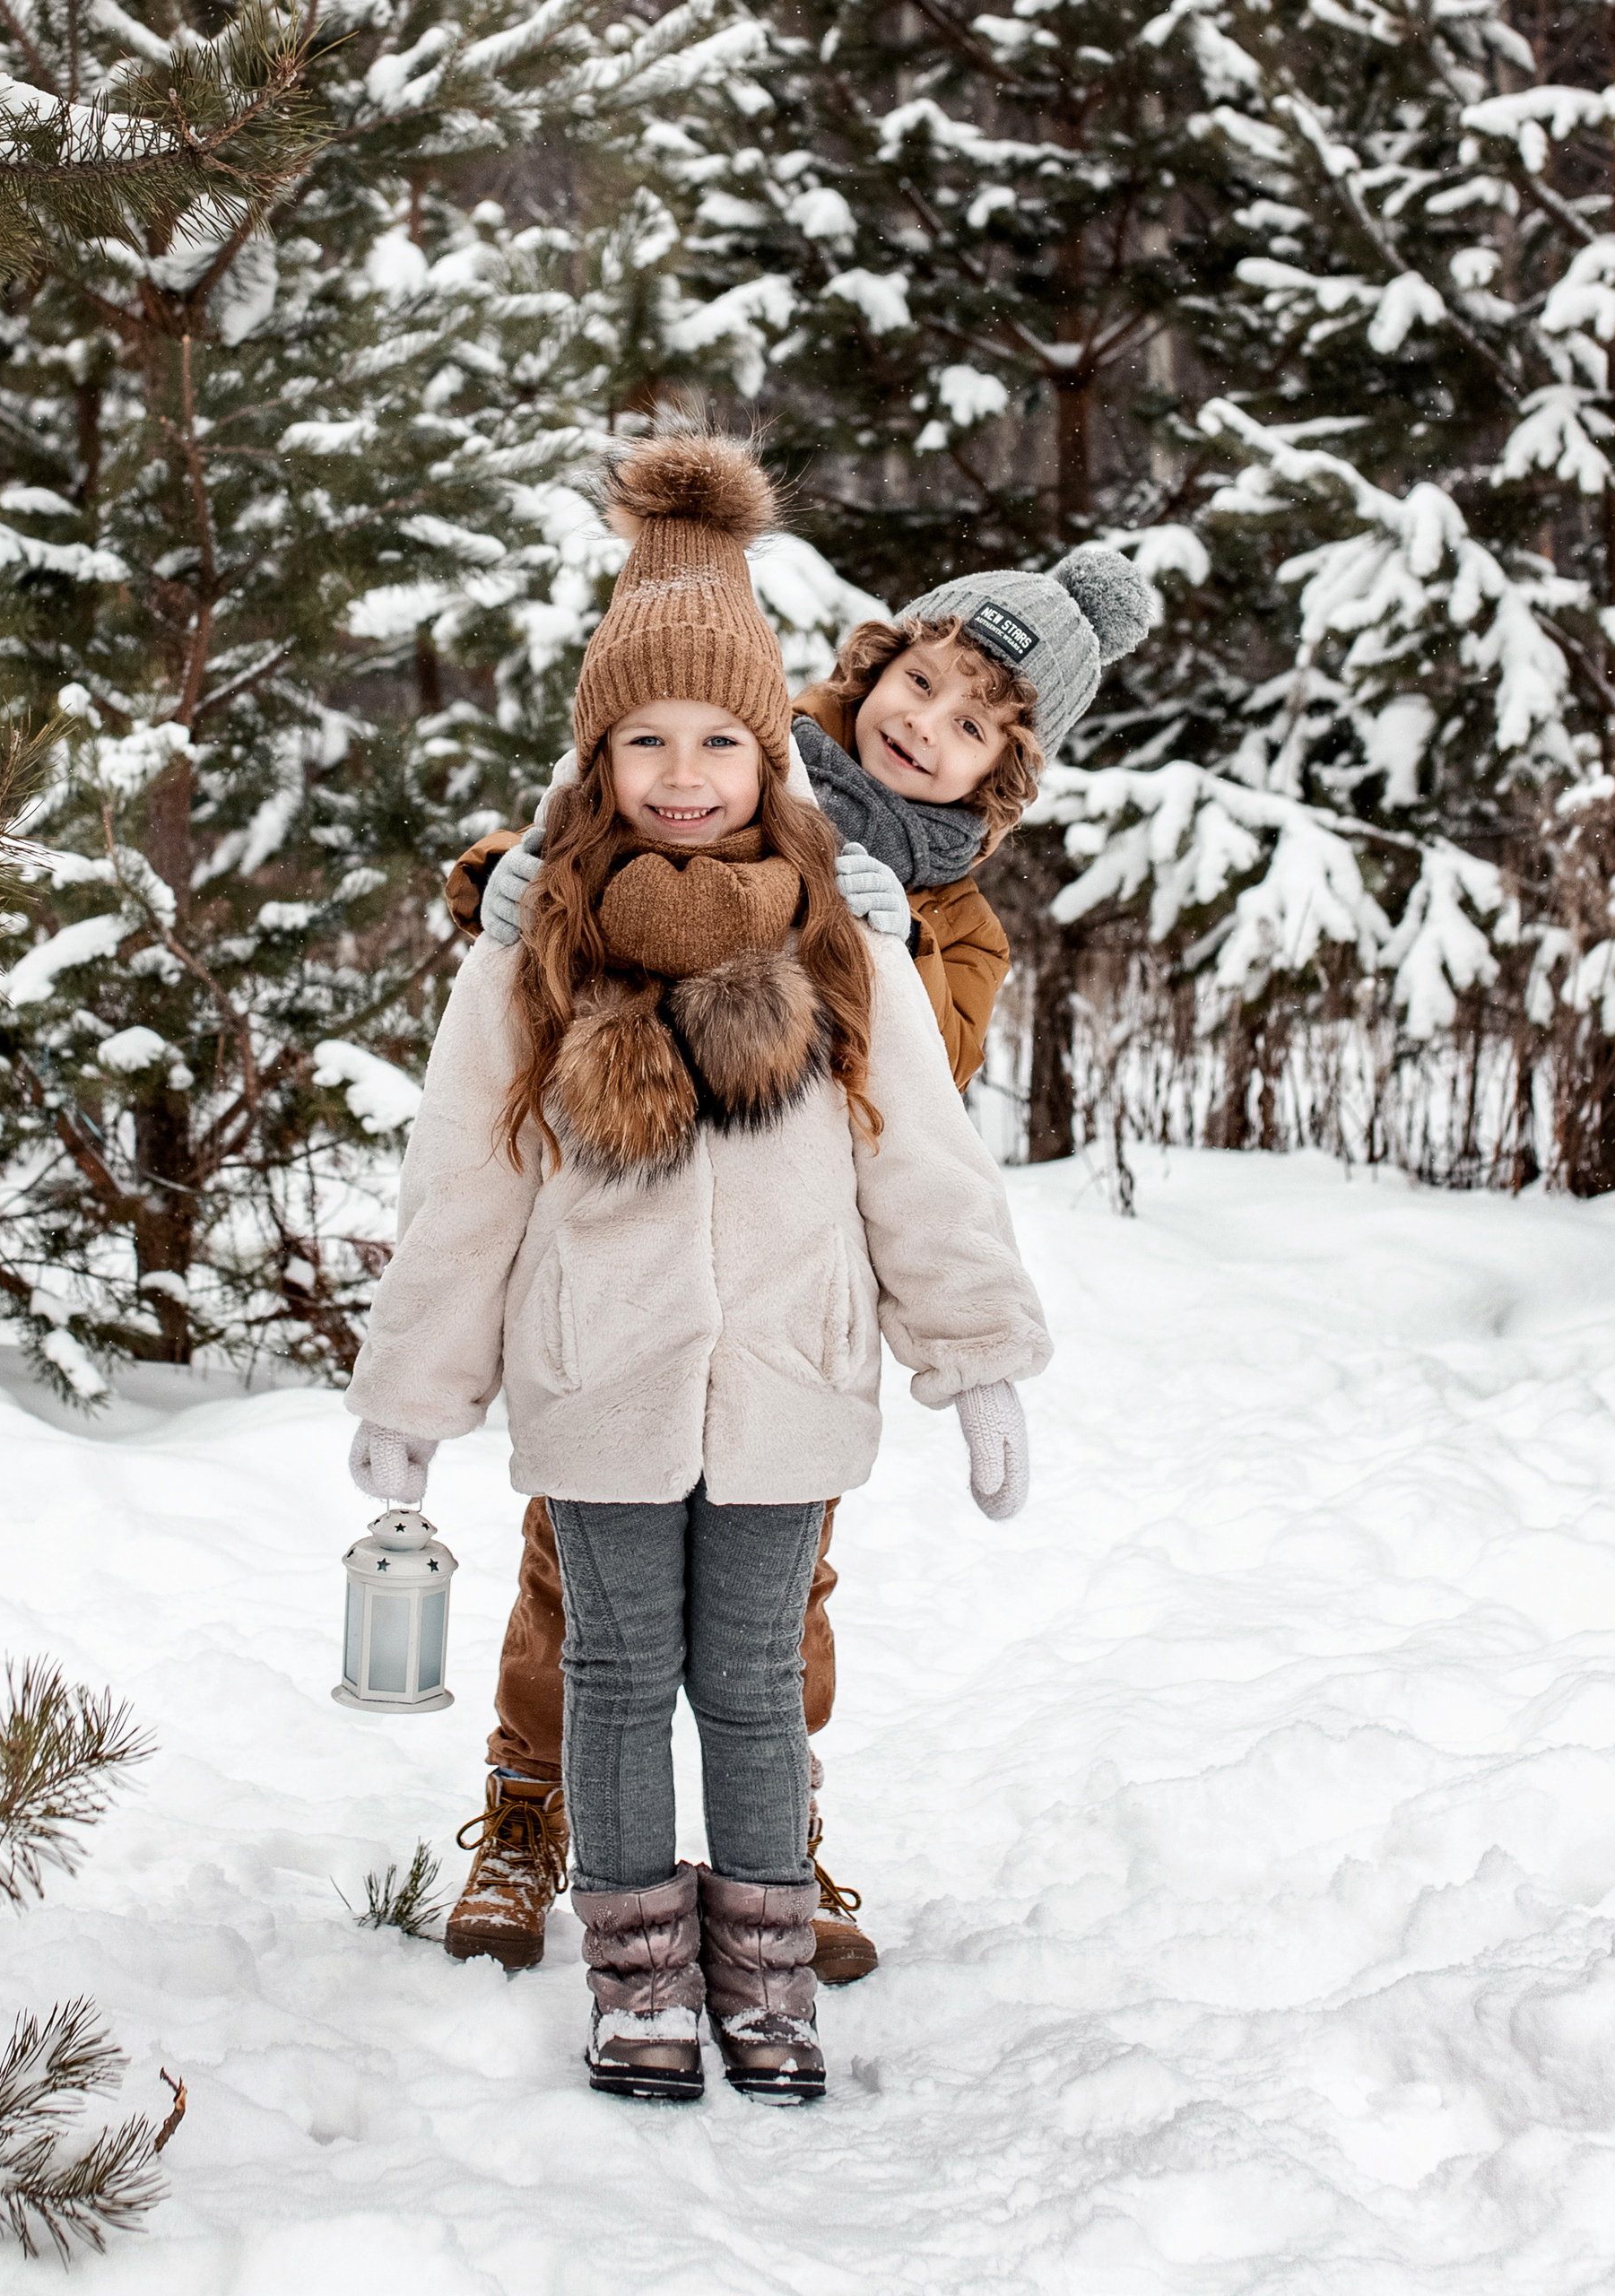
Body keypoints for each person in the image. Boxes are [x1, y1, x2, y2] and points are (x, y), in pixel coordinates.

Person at [341, 430, 1054, 2105]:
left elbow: (921, 1164)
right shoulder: (539, 938)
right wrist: (414, 1395)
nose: (681, 770)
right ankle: (636, 1966)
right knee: (607, 1667)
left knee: (748, 1679)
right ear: (598, 758)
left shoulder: (851, 931)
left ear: (767, 755)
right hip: (602, 1375)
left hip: (791, 1381)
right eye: (642, 738)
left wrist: (981, 1361)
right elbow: (468, 1181)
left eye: (717, 739)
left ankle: (768, 1960)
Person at [431, 525, 1159, 1987]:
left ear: (997, 780)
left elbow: (923, 1088)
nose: (925, 726)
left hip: (779, 1302)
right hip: (621, 1269)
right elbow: (577, 843)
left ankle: (781, 1836)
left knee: (783, 1593)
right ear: (880, 657)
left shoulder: (956, 923)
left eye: (971, 729)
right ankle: (528, 1805)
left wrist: (879, 954)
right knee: (573, 1576)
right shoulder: (739, 760)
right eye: (927, 680)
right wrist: (494, 883)